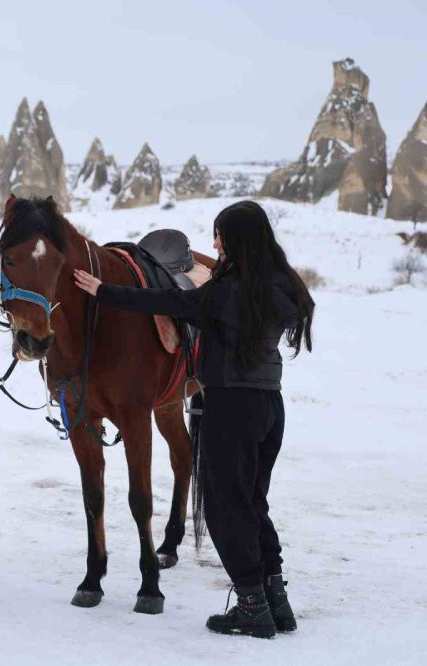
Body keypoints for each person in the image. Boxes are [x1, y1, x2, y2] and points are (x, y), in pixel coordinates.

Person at [73, 200, 314, 639]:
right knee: (253, 503)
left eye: (221, 235)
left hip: (230, 409)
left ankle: (252, 606)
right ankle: (276, 599)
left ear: (238, 239)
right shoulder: (284, 285)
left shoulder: (223, 293)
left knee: (225, 508)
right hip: (269, 409)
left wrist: (103, 290)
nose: (215, 244)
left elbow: (165, 299)